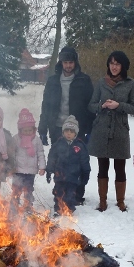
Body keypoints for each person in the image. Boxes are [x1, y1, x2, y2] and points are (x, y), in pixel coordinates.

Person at [38, 46, 95, 206]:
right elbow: (46, 106)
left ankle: (77, 194)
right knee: (59, 161)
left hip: (78, 128)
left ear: (75, 63)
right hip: (57, 127)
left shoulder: (84, 80)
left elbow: (90, 106)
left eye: (71, 62)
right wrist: (42, 129)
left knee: (77, 162)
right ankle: (60, 193)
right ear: (61, 63)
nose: (68, 65)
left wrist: (89, 129)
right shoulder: (53, 81)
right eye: (65, 62)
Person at [87, 51, 134, 212]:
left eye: (117, 63)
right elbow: (91, 105)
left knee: (120, 167)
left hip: (120, 131)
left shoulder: (130, 83)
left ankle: (120, 201)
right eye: (111, 63)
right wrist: (102, 105)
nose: (114, 67)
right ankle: (102, 201)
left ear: (123, 66)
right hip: (101, 130)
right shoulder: (102, 83)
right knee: (102, 167)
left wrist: (119, 105)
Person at [45, 115, 90, 216]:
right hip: (59, 175)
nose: (69, 133)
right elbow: (52, 158)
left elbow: (85, 161)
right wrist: (49, 170)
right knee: (58, 193)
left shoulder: (80, 145)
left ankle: (69, 209)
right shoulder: (58, 144)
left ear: (75, 133)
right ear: (63, 132)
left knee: (70, 194)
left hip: (73, 177)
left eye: (71, 131)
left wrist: (85, 173)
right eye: (67, 131)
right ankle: (58, 210)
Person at [11, 108, 46, 214]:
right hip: (18, 169)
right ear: (20, 130)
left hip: (31, 171)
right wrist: (11, 166)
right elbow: (12, 154)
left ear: (33, 129)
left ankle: (28, 206)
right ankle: (14, 205)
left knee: (28, 189)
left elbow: (40, 153)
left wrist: (42, 167)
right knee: (16, 189)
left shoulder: (36, 140)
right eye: (25, 130)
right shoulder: (16, 139)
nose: (27, 132)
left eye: (30, 130)